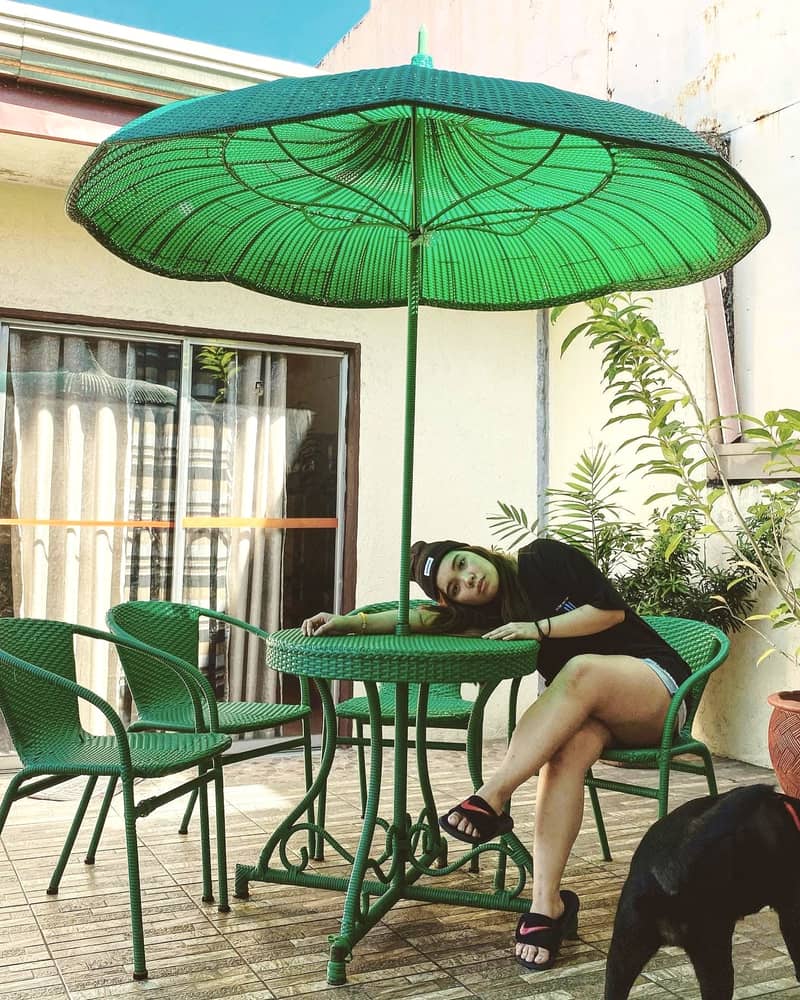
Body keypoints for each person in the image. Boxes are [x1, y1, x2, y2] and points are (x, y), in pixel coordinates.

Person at [301, 537, 690, 973]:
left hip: (658, 692)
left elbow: (610, 611)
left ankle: (492, 795)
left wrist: (537, 628)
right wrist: (350, 622)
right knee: (562, 756)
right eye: (455, 587)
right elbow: (419, 618)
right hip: (595, 714)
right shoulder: (489, 614)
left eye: (462, 563)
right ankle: (547, 905)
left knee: (580, 668)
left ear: (475, 551)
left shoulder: (542, 559)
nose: (468, 579)